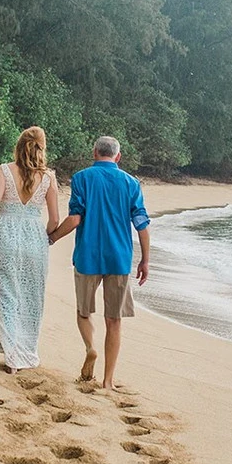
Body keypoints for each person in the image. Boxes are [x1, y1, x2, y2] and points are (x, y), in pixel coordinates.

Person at [47, 135, 150, 390]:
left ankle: (91, 348)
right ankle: (107, 381)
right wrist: (145, 260)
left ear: (94, 152)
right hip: (119, 258)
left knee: (84, 311)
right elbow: (141, 225)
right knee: (114, 321)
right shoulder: (130, 183)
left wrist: (51, 238)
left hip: (87, 256)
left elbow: (74, 219)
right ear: (118, 156)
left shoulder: (82, 178)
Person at [0, 126, 60, 371]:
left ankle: (11, 354)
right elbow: (54, 219)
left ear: (19, 145)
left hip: (5, 234)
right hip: (35, 237)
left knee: (5, 294)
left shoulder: (3, 171)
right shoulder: (48, 178)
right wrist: (43, 237)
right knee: (31, 298)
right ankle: (25, 352)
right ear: (42, 148)